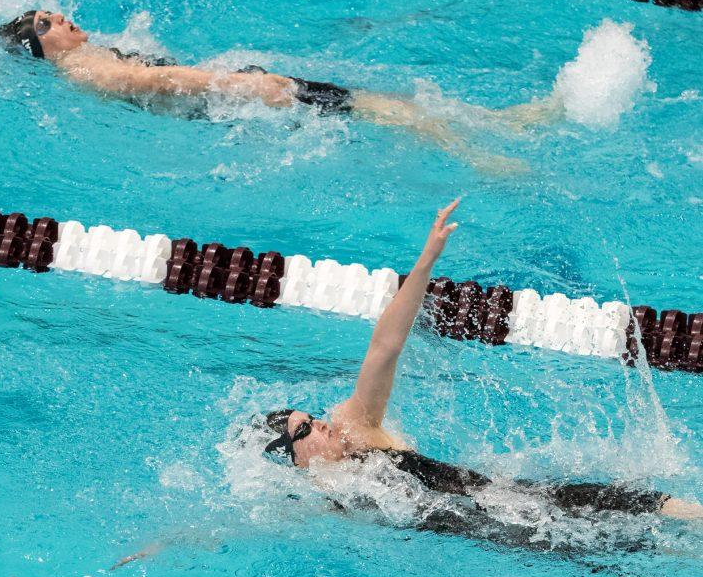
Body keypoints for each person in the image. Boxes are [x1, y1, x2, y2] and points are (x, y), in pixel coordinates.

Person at [262, 197, 703, 525]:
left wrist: (427, 260)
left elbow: (385, 347)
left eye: (310, 417)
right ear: (293, 459)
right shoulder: (320, 499)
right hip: (484, 539)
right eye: (304, 429)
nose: (318, 423)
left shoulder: (355, 426)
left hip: (513, 506)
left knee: (624, 506)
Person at [0, 10, 559, 175]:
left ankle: (496, 127)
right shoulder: (93, 71)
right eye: (46, 25)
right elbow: (154, 79)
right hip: (242, 97)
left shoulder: (84, 62)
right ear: (43, 51)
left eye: (50, 12)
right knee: (377, 108)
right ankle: (486, 151)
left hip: (227, 100)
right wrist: (245, 85)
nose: (60, 18)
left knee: (369, 108)